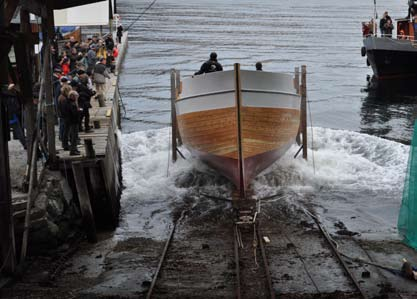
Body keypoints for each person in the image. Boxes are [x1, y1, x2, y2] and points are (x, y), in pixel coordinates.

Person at [61, 90, 81, 155]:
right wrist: (78, 111)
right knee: (74, 136)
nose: (76, 98)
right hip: (73, 121)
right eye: (76, 97)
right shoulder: (70, 103)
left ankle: (75, 149)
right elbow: (73, 112)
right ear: (72, 96)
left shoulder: (67, 101)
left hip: (71, 121)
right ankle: (73, 150)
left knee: (73, 136)